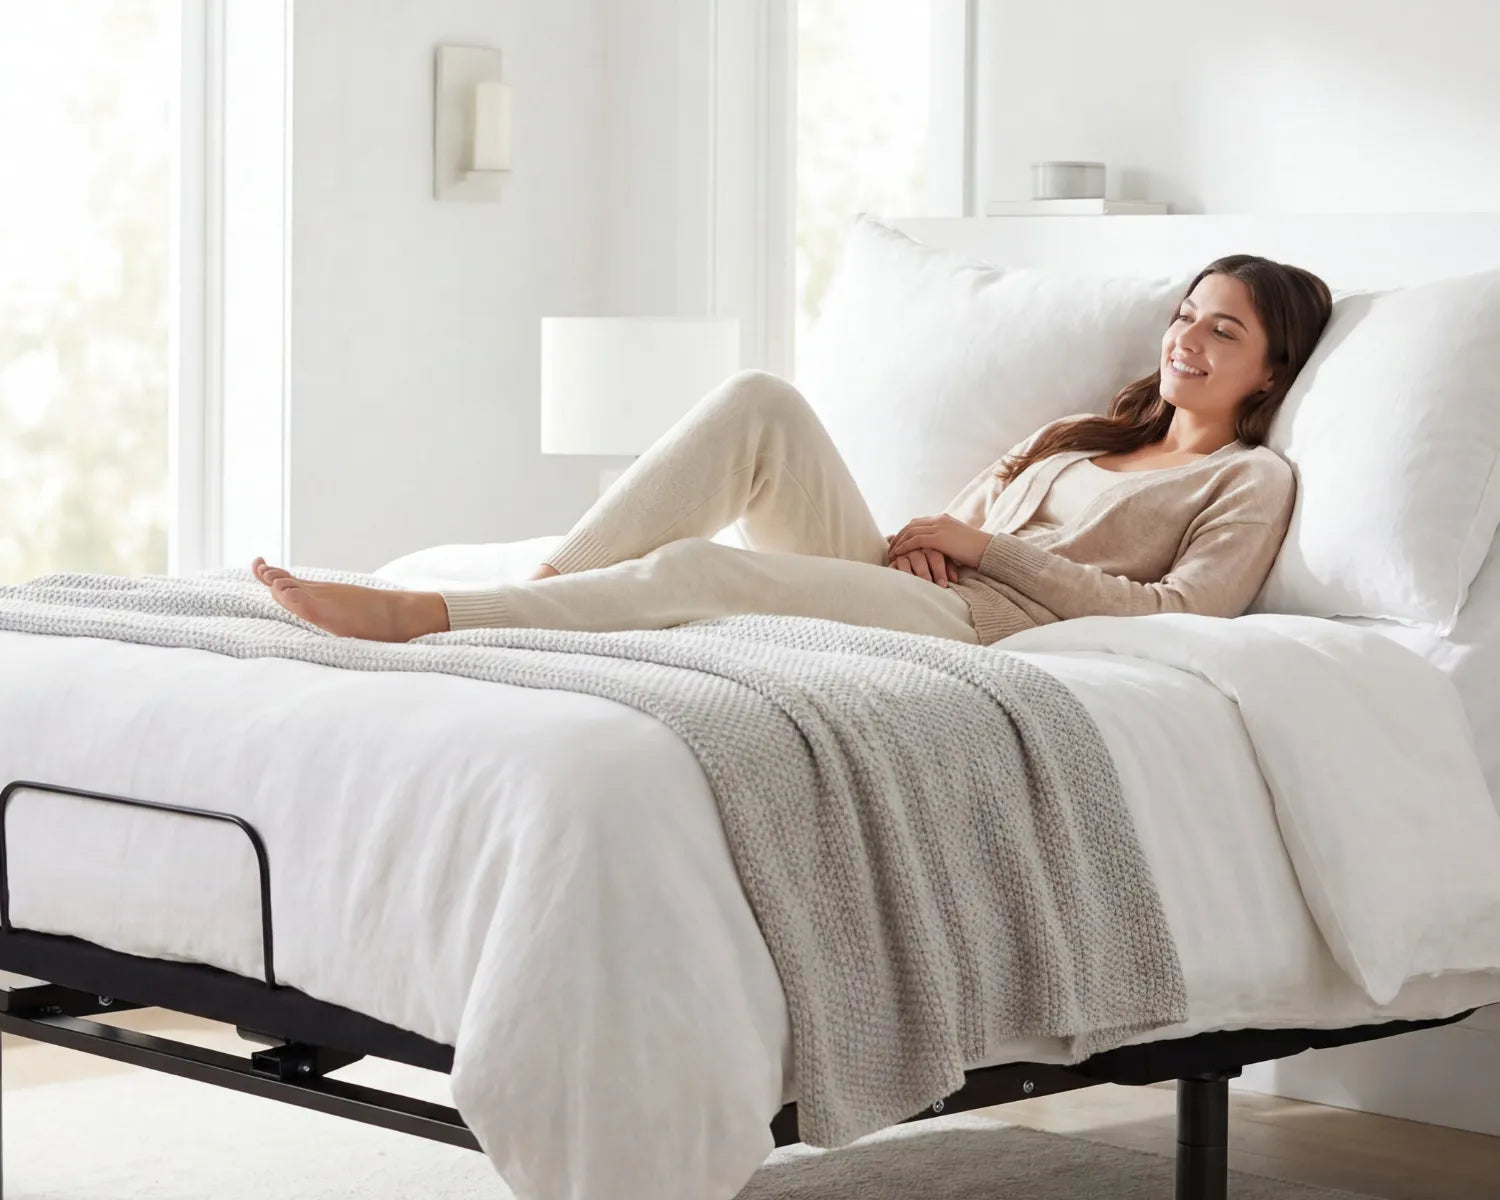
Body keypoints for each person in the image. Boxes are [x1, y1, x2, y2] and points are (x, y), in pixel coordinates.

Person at [251, 254, 1333, 646]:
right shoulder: (1080, 434)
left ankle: (431, 618)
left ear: (1270, 372)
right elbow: (963, 515)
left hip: (982, 621)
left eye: (1222, 329)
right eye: (1186, 314)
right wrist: (932, 543)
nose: (1187, 338)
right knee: (760, 399)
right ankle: (548, 592)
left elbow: (1184, 616)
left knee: (698, 571)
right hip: (928, 582)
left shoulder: (1247, 477)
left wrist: (979, 552)